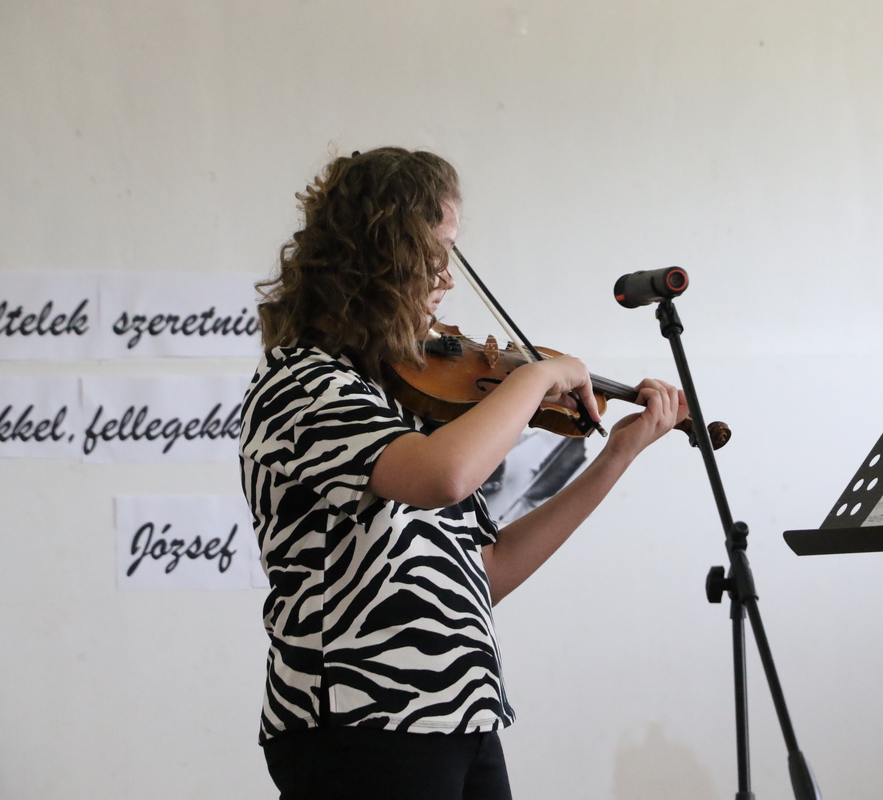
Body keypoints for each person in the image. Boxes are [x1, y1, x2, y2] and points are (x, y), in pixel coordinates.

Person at [240, 146, 688, 800]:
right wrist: (537, 376)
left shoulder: (407, 405)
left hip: (456, 711)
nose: (447, 279)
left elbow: (485, 572)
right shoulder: (304, 385)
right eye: (437, 253)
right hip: (360, 720)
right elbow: (445, 477)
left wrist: (615, 457)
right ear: (383, 255)